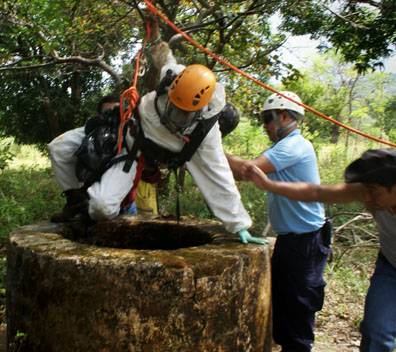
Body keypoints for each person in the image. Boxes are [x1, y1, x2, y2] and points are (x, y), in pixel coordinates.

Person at [49, 27, 265, 244]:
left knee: (101, 208)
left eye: (184, 114)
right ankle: (75, 200)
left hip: (133, 152)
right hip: (121, 125)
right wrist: (154, 35)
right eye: (174, 108)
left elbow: (219, 176)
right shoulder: (173, 77)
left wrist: (239, 225)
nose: (175, 117)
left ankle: (88, 210)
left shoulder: (205, 133)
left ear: (199, 111)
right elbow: (164, 57)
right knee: (59, 148)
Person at [243, 148, 396, 352]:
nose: (367, 200)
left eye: (373, 194)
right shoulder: (374, 188)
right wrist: (269, 185)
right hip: (395, 273)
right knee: (375, 332)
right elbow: (317, 192)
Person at [225, 91, 330, 352]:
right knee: (283, 298)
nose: (265, 125)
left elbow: (248, 172)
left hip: (306, 241)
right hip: (290, 239)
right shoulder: (284, 146)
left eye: (267, 119)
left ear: (285, 117)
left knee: (300, 303)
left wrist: (211, 149)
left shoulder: (294, 146)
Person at [49, 95, 138, 222]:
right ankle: (76, 202)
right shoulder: (88, 142)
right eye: (107, 113)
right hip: (90, 210)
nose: (112, 118)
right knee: (57, 147)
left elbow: (150, 175)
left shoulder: (129, 140)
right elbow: (59, 151)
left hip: (125, 209)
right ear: (98, 115)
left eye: (116, 113)